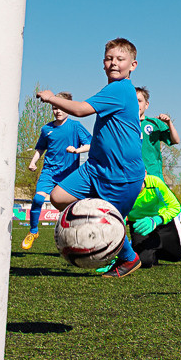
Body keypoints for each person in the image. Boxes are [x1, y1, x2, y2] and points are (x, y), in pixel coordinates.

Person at [40, 37, 146, 278]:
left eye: (121, 59)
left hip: (121, 175)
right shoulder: (112, 89)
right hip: (95, 168)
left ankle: (128, 258)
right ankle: (120, 254)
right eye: (109, 59)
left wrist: (51, 97)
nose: (114, 63)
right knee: (58, 196)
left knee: (108, 225)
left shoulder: (120, 89)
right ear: (102, 63)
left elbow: (79, 110)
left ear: (133, 65)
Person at [21, 92, 91, 250]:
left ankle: (79, 238)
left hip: (69, 175)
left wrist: (77, 151)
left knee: (73, 208)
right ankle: (33, 231)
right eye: (54, 108)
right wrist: (33, 162)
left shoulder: (75, 126)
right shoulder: (46, 129)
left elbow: (89, 144)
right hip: (49, 173)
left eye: (61, 107)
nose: (58, 111)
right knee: (38, 200)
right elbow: (40, 148)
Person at [135, 86, 181, 258]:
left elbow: (175, 140)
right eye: (133, 101)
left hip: (154, 178)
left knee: (168, 209)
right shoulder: (125, 124)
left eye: (139, 101)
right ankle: (120, 248)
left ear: (146, 104)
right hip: (132, 178)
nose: (136, 104)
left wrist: (169, 123)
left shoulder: (153, 124)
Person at [113, 173, 181, 268]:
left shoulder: (155, 183)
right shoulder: (121, 189)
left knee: (175, 256)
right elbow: (118, 212)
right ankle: (147, 252)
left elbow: (175, 206)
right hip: (140, 225)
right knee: (144, 262)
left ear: (144, 175)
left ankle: (176, 249)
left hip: (161, 221)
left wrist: (156, 220)